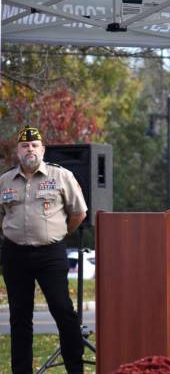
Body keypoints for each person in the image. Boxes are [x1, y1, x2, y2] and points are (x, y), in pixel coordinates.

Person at [0, 126, 87, 374]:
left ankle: (75, 368)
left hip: (50, 254)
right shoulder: (4, 181)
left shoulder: (61, 177)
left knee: (62, 310)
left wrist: (55, 233)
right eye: (25, 146)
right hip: (15, 254)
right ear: (18, 150)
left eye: (34, 145)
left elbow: (79, 213)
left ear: (43, 149)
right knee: (19, 317)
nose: (30, 150)